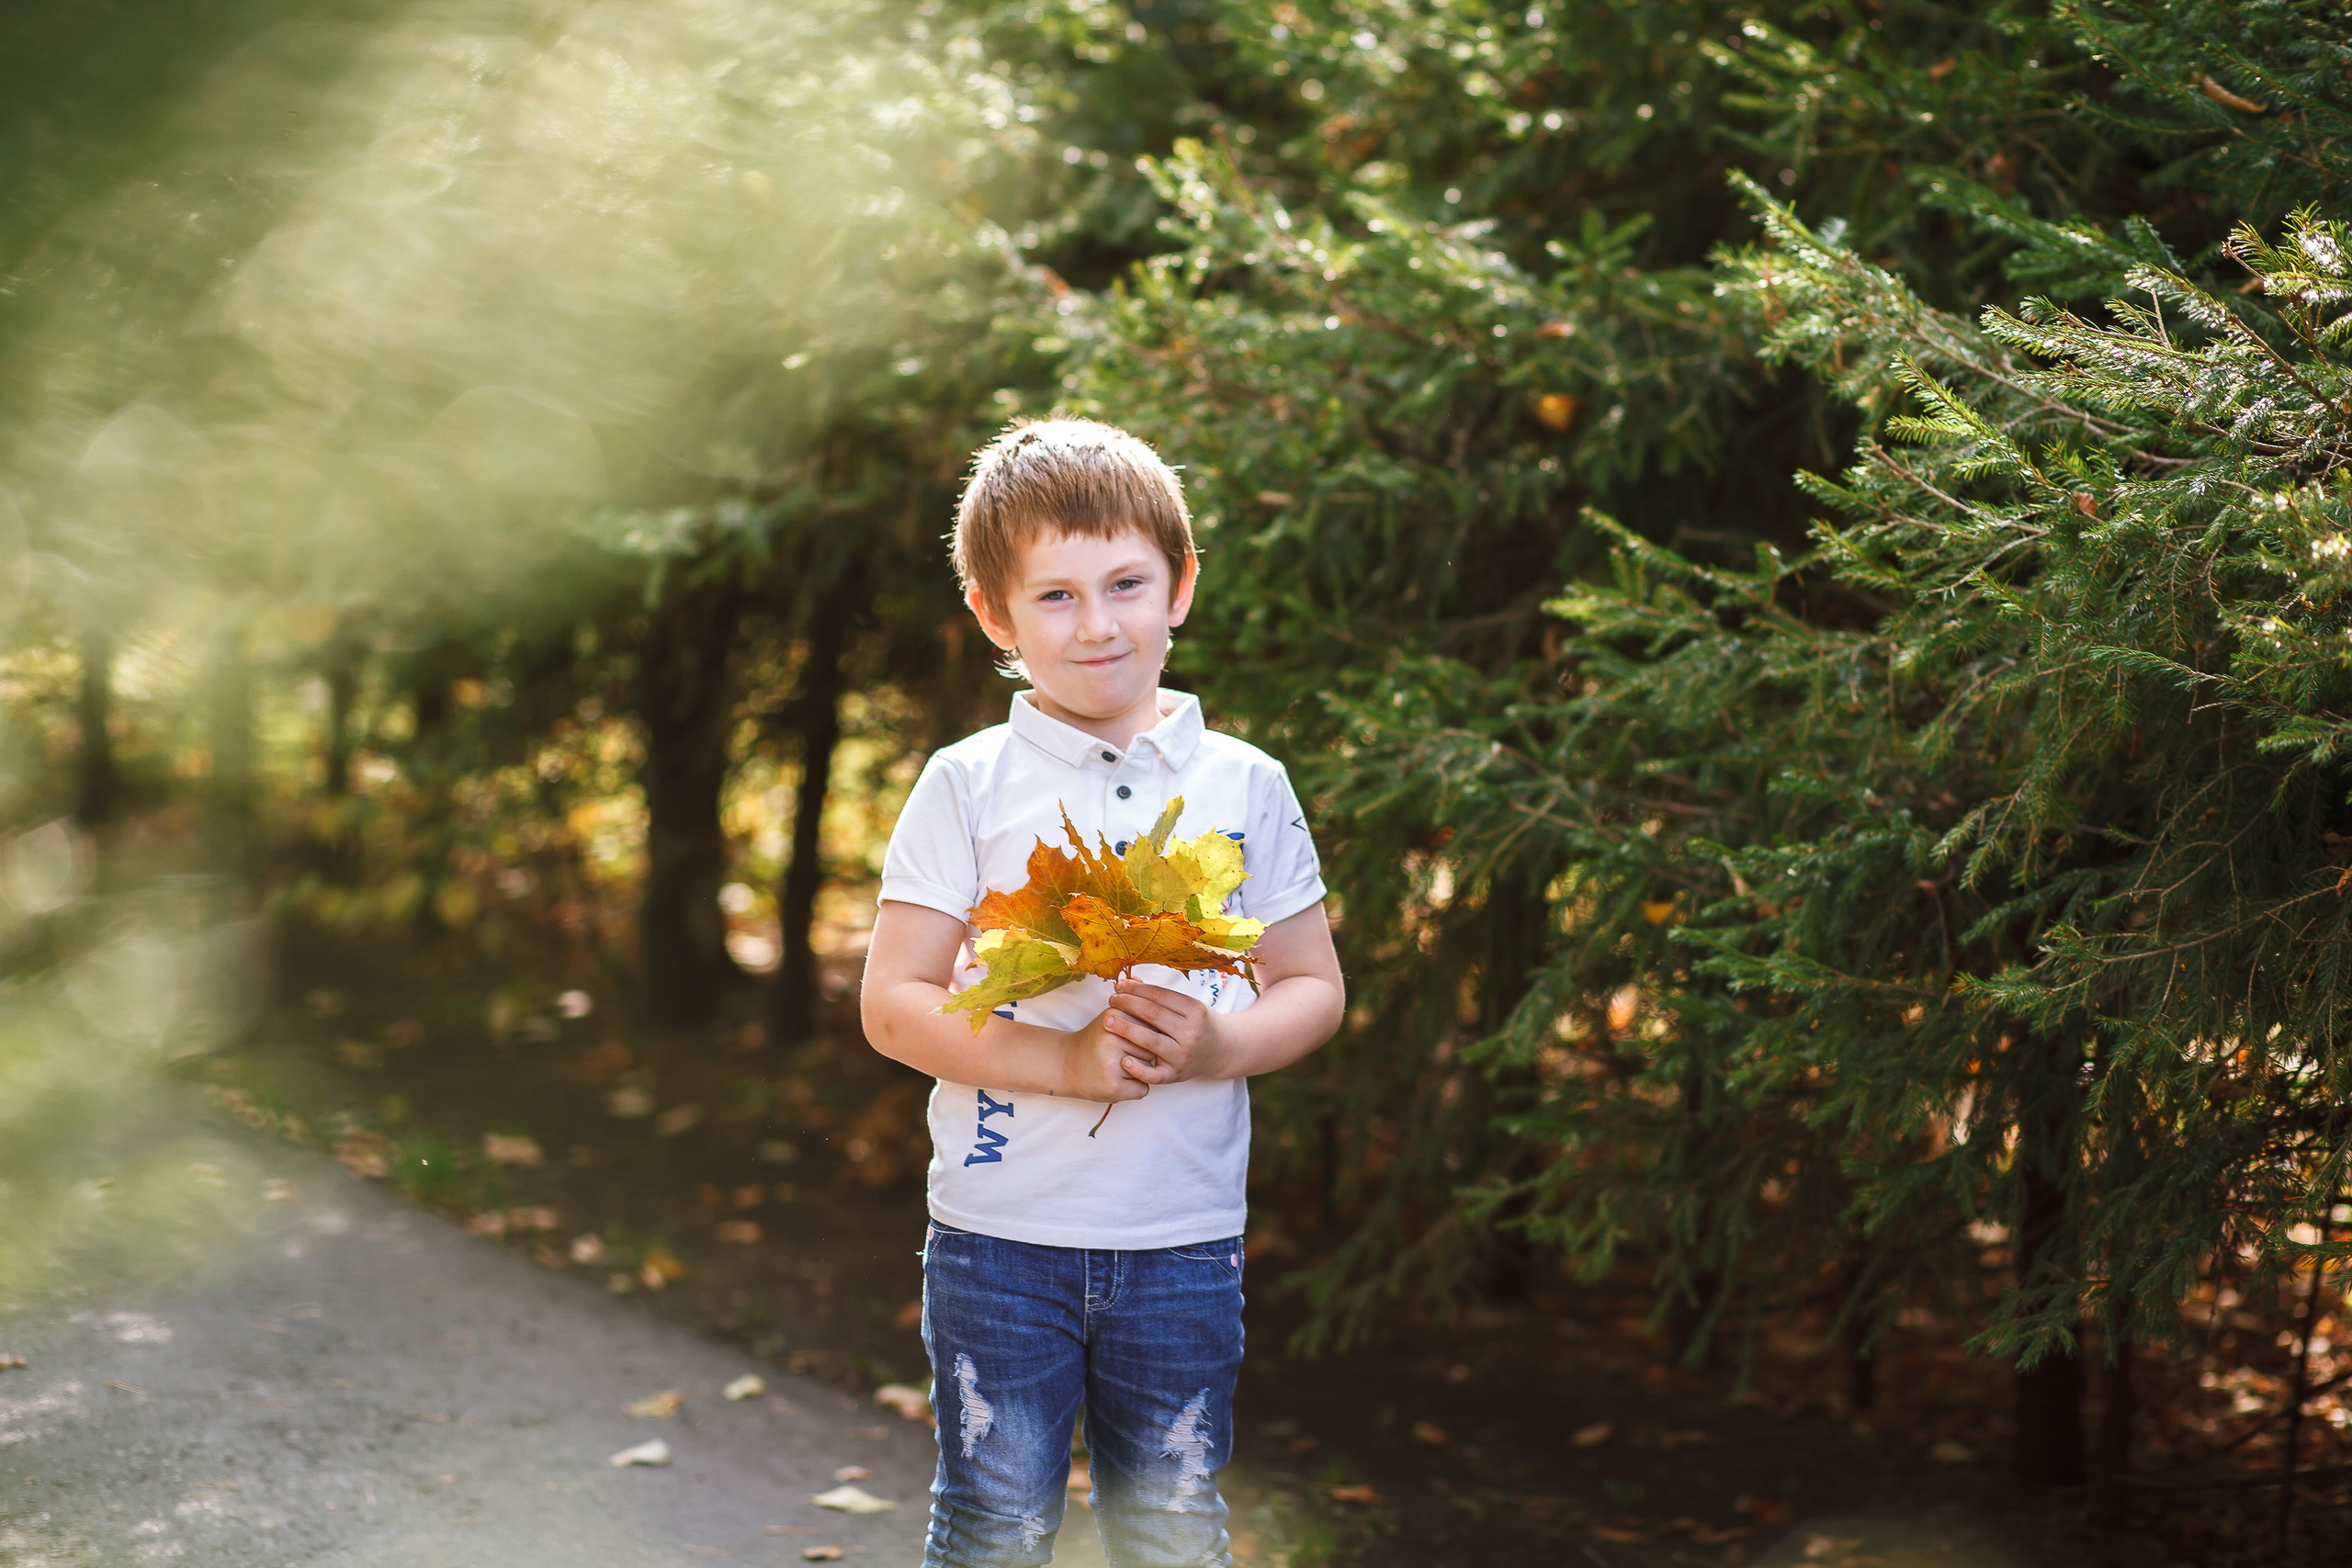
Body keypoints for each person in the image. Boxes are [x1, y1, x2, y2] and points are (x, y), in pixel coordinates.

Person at [861, 417, 1346, 1567]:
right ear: (995, 615)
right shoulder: (968, 783)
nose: (1097, 624)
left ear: (1180, 585)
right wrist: (1065, 1064)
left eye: (1125, 584)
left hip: (1182, 1242)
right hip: (998, 1238)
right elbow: (893, 1004)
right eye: (1057, 596)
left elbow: (1312, 987)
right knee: (995, 1523)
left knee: (1170, 1526)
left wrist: (1218, 1047)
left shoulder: (1245, 785)